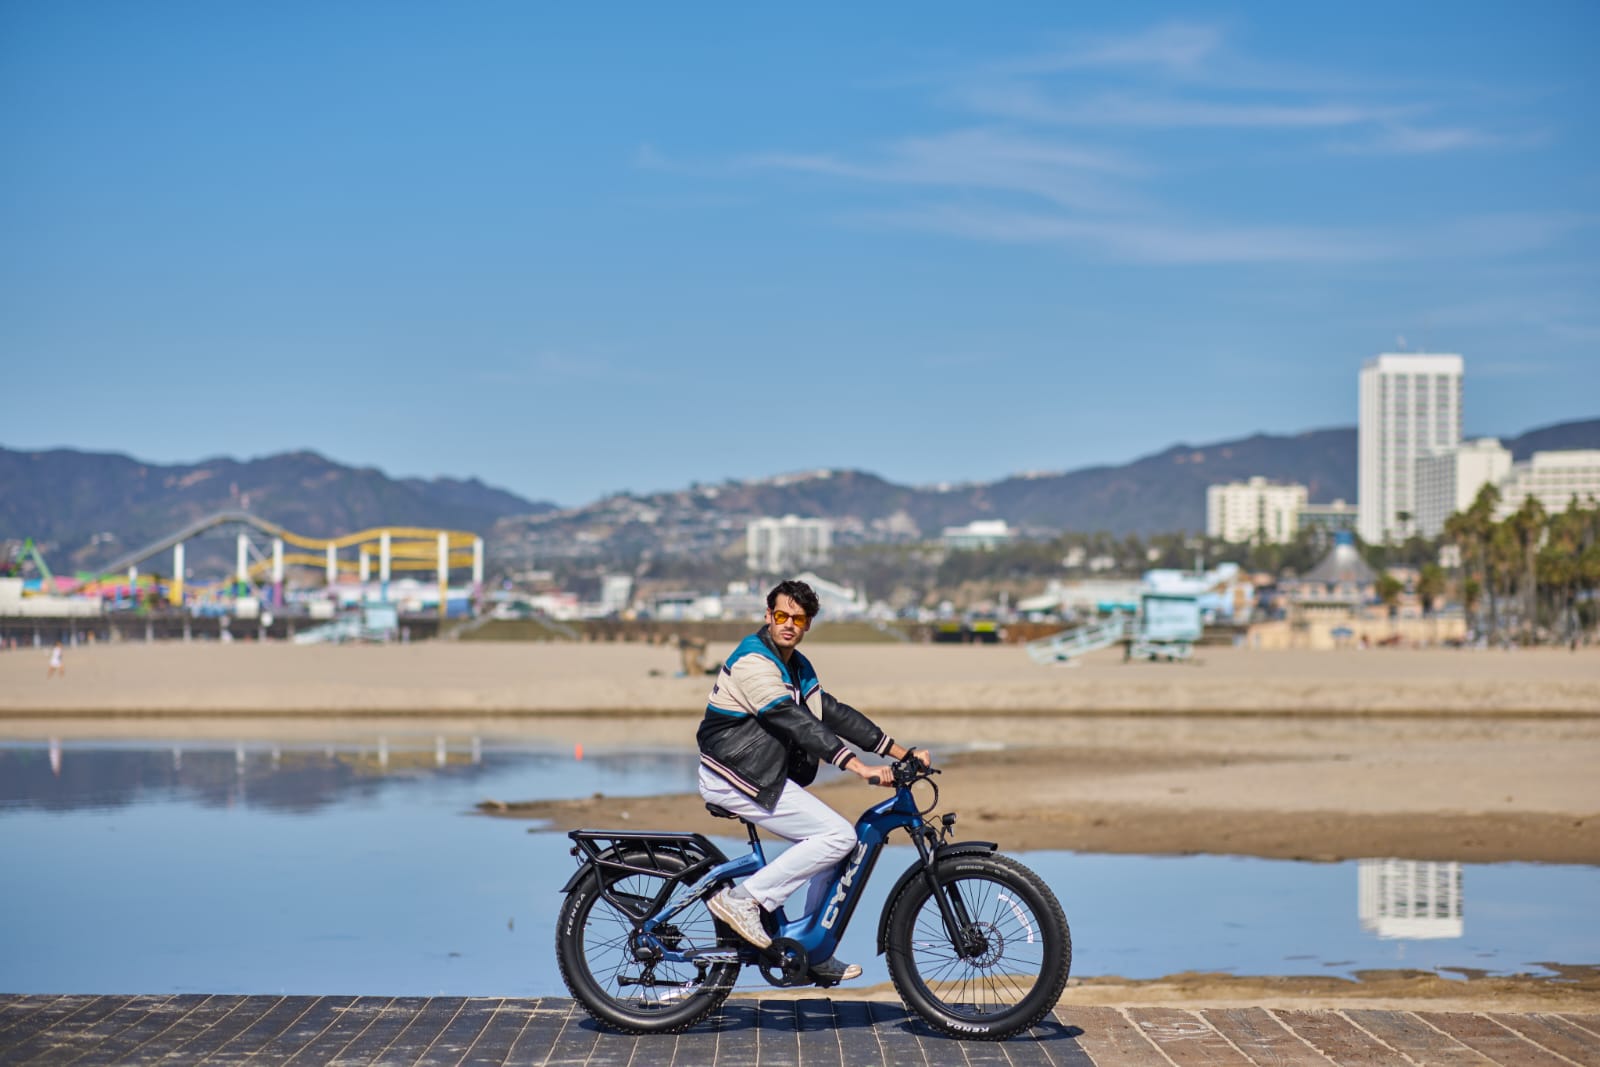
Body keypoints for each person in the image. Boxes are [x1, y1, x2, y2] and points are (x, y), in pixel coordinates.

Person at [697, 579, 930, 985]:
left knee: (841, 846)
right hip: (732, 774)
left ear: (808, 624)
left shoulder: (797, 665)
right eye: (782, 616)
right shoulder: (754, 661)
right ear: (768, 616)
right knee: (838, 836)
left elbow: (832, 714)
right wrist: (857, 767)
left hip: (760, 773)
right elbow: (791, 718)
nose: (789, 624)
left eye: (798, 619)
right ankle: (743, 900)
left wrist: (898, 752)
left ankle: (811, 944)